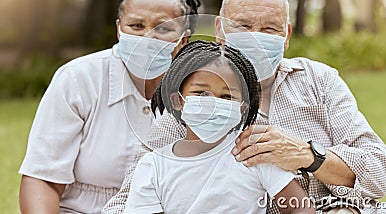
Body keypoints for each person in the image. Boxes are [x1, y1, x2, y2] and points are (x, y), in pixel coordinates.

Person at [103, 0, 386, 214]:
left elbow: (379, 172)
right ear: (219, 30)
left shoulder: (319, 81)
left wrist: (307, 155)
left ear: (287, 35)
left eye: (269, 28)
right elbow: (128, 196)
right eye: (242, 26)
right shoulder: (192, 102)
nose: (255, 36)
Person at [18, 0, 201, 213]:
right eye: (136, 26)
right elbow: (43, 178)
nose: (147, 37)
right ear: (119, 29)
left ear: (183, 40)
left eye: (163, 28)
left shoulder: (201, 90)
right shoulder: (78, 78)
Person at [125, 39, 315, 213]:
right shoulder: (154, 167)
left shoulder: (253, 155)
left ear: (242, 108)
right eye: (201, 93)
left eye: (226, 96)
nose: (214, 103)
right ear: (177, 101)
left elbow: (301, 208)